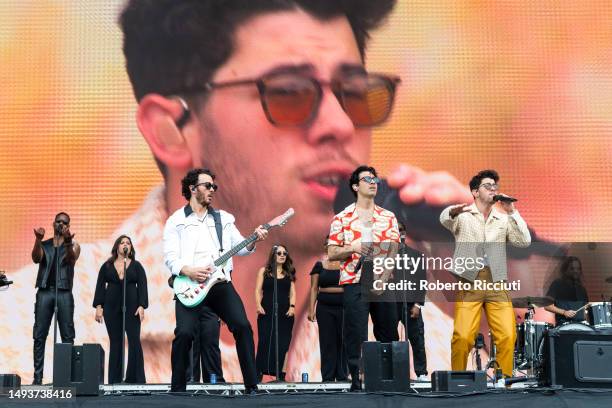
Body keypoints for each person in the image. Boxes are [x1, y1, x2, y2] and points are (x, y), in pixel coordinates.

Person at [117, 0, 471, 381]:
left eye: (353, 93)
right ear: (169, 130)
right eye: (288, 92)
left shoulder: (426, 338)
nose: (340, 124)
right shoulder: (60, 326)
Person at [164, 168, 268, 393]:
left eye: (214, 187)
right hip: (190, 284)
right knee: (184, 333)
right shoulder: (176, 221)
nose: (212, 190)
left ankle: (252, 384)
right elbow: (170, 257)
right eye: (207, 186)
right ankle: (177, 388)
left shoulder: (224, 219)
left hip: (219, 283)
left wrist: (253, 240)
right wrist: (188, 270)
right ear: (192, 189)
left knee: (242, 326)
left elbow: (240, 247)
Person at [440, 169, 531, 378]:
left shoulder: (502, 218)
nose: (493, 189)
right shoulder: (463, 216)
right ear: (474, 192)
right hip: (470, 280)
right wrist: (455, 209)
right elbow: (444, 218)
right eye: (487, 186)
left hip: (496, 281)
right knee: (463, 336)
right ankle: (459, 379)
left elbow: (524, 241)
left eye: (494, 186)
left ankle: (503, 379)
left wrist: (512, 211)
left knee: (507, 334)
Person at [328, 165, 401, 391]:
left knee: (388, 329)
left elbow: (393, 250)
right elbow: (332, 253)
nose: (373, 182)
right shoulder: (342, 218)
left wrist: (385, 277)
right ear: (355, 186)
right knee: (355, 331)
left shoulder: (388, 216)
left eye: (375, 179)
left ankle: (388, 378)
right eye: (367, 179)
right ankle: (356, 379)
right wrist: (353, 247)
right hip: (355, 279)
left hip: (382, 279)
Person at [31, 212, 80, 385]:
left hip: (64, 292)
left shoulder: (73, 245)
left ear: (68, 226)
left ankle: (66, 379)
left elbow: (72, 259)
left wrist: (67, 241)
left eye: (64, 222)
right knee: (39, 334)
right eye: (58, 221)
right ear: (53, 223)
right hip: (45, 292)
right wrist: (38, 239)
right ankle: (37, 378)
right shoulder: (44, 245)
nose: (61, 224)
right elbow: (36, 258)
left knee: (67, 335)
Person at [93, 235, 148, 384]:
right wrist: (99, 306)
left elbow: (143, 287)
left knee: (134, 340)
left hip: (132, 308)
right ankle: (114, 381)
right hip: (111, 309)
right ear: (117, 247)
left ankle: (134, 380)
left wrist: (142, 306)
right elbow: (100, 287)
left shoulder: (137, 266)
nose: (125, 245)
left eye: (128, 243)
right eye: (122, 242)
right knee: (116, 342)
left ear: (131, 248)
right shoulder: (107, 266)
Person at [307, 236, 347, 382]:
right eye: (329, 244)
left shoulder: (347, 265)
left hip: (344, 307)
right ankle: (328, 377)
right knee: (327, 342)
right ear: (325, 247)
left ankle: (342, 376)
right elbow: (313, 289)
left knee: (343, 340)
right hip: (324, 308)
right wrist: (311, 310)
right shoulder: (319, 265)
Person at [255, 245, 296, 381]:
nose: (282, 255)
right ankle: (259, 372)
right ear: (273, 255)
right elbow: (258, 290)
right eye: (279, 253)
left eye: (285, 253)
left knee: (283, 344)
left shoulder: (288, 272)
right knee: (265, 341)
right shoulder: (264, 271)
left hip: (285, 312)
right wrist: (258, 305)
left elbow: (292, 292)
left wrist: (292, 307)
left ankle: (281, 375)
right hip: (267, 310)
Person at [395, 222, 428, 381]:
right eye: (396, 230)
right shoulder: (383, 256)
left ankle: (421, 373)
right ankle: (392, 373)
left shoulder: (416, 256)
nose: (398, 233)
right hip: (390, 304)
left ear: (405, 233)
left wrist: (417, 304)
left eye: (401, 230)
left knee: (417, 338)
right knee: (390, 339)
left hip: (410, 304)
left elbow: (421, 281)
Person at [544, 256, 588, 326]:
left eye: (578, 269)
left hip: (581, 327)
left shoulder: (581, 289)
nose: (576, 271)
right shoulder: (557, 284)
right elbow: (547, 305)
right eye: (572, 268)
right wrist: (564, 312)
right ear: (565, 270)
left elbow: (586, 309)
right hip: (564, 327)